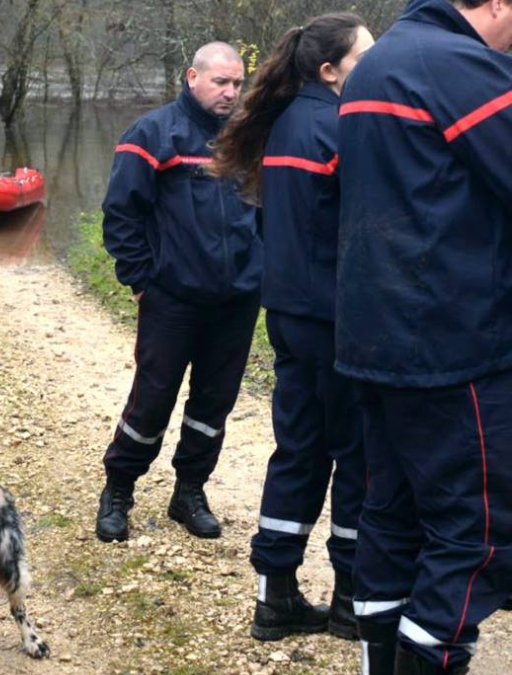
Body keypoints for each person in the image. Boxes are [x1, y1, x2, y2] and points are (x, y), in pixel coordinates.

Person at [336, 0, 512, 672]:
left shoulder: (379, 63)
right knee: (476, 535)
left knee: (394, 516)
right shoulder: (457, 64)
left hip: (376, 338)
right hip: (452, 341)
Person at [210, 13, 374, 644]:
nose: (378, 69)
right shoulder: (339, 129)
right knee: (357, 456)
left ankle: (274, 594)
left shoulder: (283, 126)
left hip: (289, 316)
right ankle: (351, 599)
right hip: (338, 320)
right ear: (329, 70)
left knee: (299, 449)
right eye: (366, 58)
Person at [96, 42, 260, 543]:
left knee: (214, 404)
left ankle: (190, 491)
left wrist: (264, 268)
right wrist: (141, 281)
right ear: (193, 77)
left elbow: (271, 212)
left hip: (236, 301)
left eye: (237, 83)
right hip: (172, 299)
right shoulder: (152, 133)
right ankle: (118, 488)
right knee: (152, 399)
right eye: (220, 82)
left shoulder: (249, 141)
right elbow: (121, 214)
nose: (230, 92)